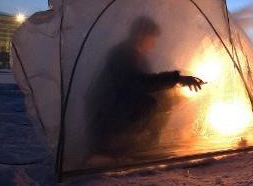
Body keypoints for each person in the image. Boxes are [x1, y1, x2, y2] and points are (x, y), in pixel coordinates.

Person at [86, 16, 204, 157]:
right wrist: (177, 79)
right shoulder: (124, 54)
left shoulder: (133, 54)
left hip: (113, 112)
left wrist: (176, 84)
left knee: (167, 97)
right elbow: (139, 83)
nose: (153, 44)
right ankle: (128, 146)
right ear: (141, 35)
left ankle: (140, 142)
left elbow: (148, 82)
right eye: (152, 39)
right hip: (109, 118)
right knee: (159, 100)